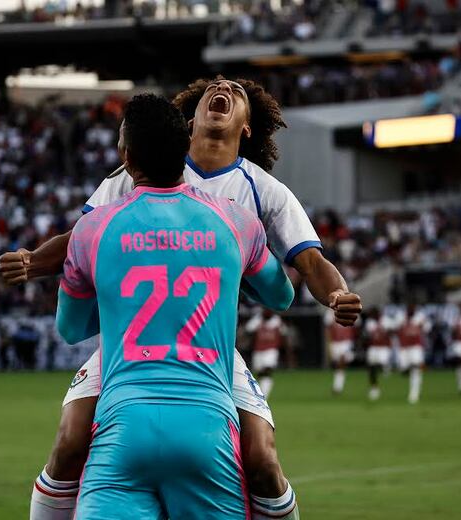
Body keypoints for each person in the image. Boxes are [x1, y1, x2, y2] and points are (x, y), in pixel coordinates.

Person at [6, 77, 361, 520]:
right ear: (188, 123)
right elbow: (79, 236)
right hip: (130, 341)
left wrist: (337, 293)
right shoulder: (145, 165)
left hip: (207, 342)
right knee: (69, 442)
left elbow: (310, 260)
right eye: (214, 86)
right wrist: (33, 261)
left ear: (247, 127)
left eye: (236, 91)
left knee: (263, 459)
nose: (223, 88)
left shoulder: (264, 190)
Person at [55, 93, 294, 519]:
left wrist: (121, 302)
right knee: (265, 465)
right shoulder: (236, 221)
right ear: (186, 147)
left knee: (65, 452)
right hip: (208, 429)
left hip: (123, 428)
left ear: (127, 159)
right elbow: (281, 296)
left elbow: (71, 329)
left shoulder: (91, 229)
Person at [246, 307, 288, 398]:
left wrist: (286, 351)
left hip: (271, 350)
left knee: (267, 370)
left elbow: (284, 334)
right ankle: (260, 393)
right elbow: (248, 329)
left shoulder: (277, 321)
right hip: (258, 351)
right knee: (260, 373)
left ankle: (264, 395)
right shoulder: (257, 320)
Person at [396, 304, 430, 404]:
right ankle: (416, 368)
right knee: (404, 370)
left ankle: (414, 393)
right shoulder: (400, 317)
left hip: (416, 346)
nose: (411, 309)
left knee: (415, 368)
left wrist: (422, 325)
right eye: (409, 308)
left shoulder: (420, 317)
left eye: (413, 308)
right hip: (404, 347)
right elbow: (394, 329)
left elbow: (428, 328)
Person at [324, 308, 357, 395]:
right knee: (337, 366)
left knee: (341, 363)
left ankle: (337, 387)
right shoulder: (330, 312)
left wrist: (355, 342)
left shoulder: (350, 308)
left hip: (346, 342)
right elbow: (327, 329)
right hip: (335, 342)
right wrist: (328, 343)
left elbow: (355, 326)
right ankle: (338, 386)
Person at [364, 307, 393, 401]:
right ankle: (374, 387)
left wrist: (384, 330)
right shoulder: (370, 322)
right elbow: (368, 336)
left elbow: (392, 333)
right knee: (371, 367)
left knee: (381, 363)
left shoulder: (386, 320)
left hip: (384, 347)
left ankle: (386, 367)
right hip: (373, 346)